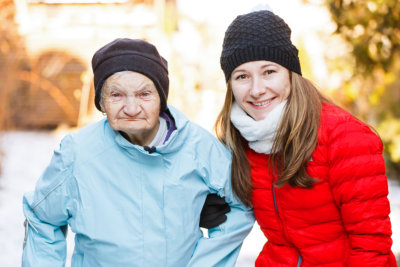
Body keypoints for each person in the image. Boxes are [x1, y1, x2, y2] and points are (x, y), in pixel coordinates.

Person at [22, 38, 254, 267]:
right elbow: (42, 218)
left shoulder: (199, 147)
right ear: (101, 102)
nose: (132, 109)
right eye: (116, 95)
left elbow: (242, 204)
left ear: (161, 99)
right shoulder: (78, 152)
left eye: (144, 94)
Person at [214, 8, 397, 266]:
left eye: (269, 72)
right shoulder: (241, 141)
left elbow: (371, 244)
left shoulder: (344, 136)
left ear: (291, 73)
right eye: (242, 76)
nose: (256, 90)